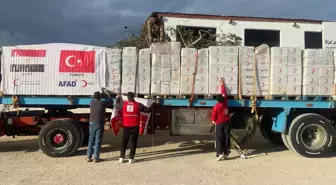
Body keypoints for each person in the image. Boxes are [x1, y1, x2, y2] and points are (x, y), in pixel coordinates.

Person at [119, 92, 153, 164]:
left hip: (126, 126)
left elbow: (117, 106)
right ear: (134, 97)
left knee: (124, 141)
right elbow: (147, 110)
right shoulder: (138, 105)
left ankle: (121, 157)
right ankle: (131, 158)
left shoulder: (124, 104)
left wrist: (117, 99)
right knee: (133, 142)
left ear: (127, 98)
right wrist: (152, 104)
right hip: (134, 126)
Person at [86, 91, 113, 163]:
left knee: (91, 139)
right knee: (97, 140)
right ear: (100, 97)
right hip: (99, 123)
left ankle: (88, 157)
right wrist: (108, 94)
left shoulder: (91, 102)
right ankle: (96, 158)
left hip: (91, 123)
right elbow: (111, 101)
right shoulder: (102, 103)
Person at [211, 94, 231, 161]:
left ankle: (219, 153)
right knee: (226, 137)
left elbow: (214, 116)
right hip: (227, 123)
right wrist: (222, 86)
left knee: (219, 138)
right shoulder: (226, 104)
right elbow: (224, 94)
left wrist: (213, 121)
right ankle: (226, 153)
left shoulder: (216, 106)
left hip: (220, 123)